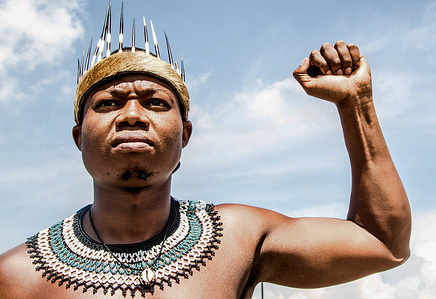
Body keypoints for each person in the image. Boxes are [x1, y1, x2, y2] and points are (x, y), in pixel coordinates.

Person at [0, 4, 411, 299]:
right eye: (108, 103)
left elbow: (383, 243)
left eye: (155, 102)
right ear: (78, 138)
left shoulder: (238, 237)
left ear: (185, 136)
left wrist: (355, 104)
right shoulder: (15, 277)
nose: (131, 115)